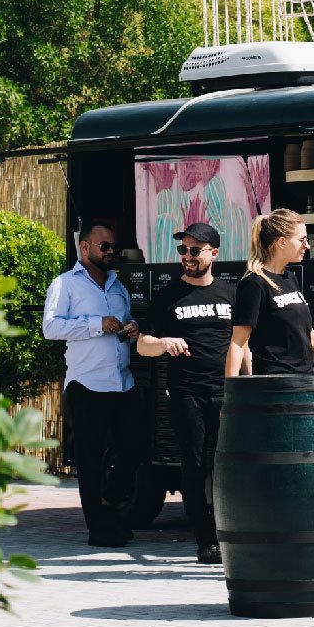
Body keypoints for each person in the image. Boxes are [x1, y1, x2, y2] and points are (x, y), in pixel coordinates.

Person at [137, 223, 235, 565]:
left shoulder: (229, 294)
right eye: (183, 250)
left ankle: (232, 534)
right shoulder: (168, 295)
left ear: (214, 253)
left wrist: (247, 384)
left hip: (226, 393)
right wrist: (163, 343)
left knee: (226, 466)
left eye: (195, 250)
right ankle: (206, 542)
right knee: (193, 465)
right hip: (186, 393)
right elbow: (142, 345)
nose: (188, 257)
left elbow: (244, 345)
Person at [42, 217, 140, 548]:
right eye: (105, 246)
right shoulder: (66, 284)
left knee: (133, 448)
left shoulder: (118, 285)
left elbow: (125, 322)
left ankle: (108, 505)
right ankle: (97, 527)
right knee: (90, 456)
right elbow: (51, 327)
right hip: (87, 383)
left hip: (122, 381)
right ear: (85, 248)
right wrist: (97, 324)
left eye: (114, 246)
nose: (112, 251)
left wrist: (131, 328)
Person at [226, 209, 314, 378]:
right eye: (302, 240)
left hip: (304, 382)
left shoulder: (290, 278)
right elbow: (238, 341)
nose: (307, 246)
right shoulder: (254, 284)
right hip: (275, 387)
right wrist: (231, 391)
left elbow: (307, 332)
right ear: (282, 242)